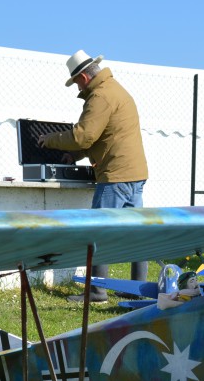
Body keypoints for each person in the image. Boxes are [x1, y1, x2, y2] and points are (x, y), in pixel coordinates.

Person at [38, 50, 149, 302]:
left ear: (84, 78)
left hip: (115, 176)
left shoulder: (99, 96)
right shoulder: (117, 90)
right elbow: (105, 136)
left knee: (97, 232)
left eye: (75, 81)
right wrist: (75, 157)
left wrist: (50, 140)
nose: (76, 86)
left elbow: (83, 135)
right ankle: (138, 290)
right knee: (138, 234)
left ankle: (96, 291)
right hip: (136, 173)